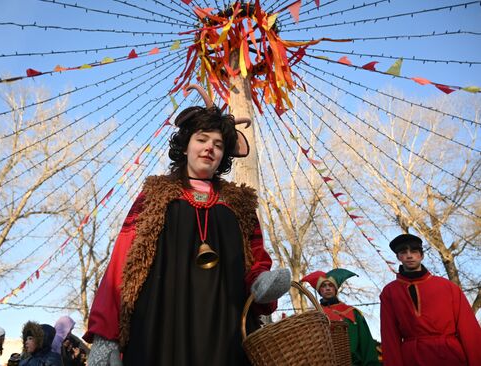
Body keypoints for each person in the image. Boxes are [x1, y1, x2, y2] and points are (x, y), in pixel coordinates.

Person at [83, 84, 291, 366]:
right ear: (185, 146)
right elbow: (122, 264)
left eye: (218, 145)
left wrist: (261, 283)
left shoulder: (239, 203)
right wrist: (105, 335)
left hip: (225, 334)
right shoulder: (155, 195)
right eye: (202, 139)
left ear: (224, 155)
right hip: (158, 329)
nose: (209, 148)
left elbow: (254, 260)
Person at [380, 233, 481, 366]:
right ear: (398, 257)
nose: (409, 256)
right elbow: (390, 336)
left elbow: (468, 328)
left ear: (421, 255)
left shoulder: (447, 287)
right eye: (404, 252)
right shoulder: (390, 292)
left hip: (450, 355)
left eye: (414, 251)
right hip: (412, 358)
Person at [301, 269, 380, 366]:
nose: (328, 288)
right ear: (319, 291)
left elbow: (366, 345)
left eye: (331, 285)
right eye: (323, 286)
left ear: (335, 289)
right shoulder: (313, 317)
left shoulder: (353, 313)